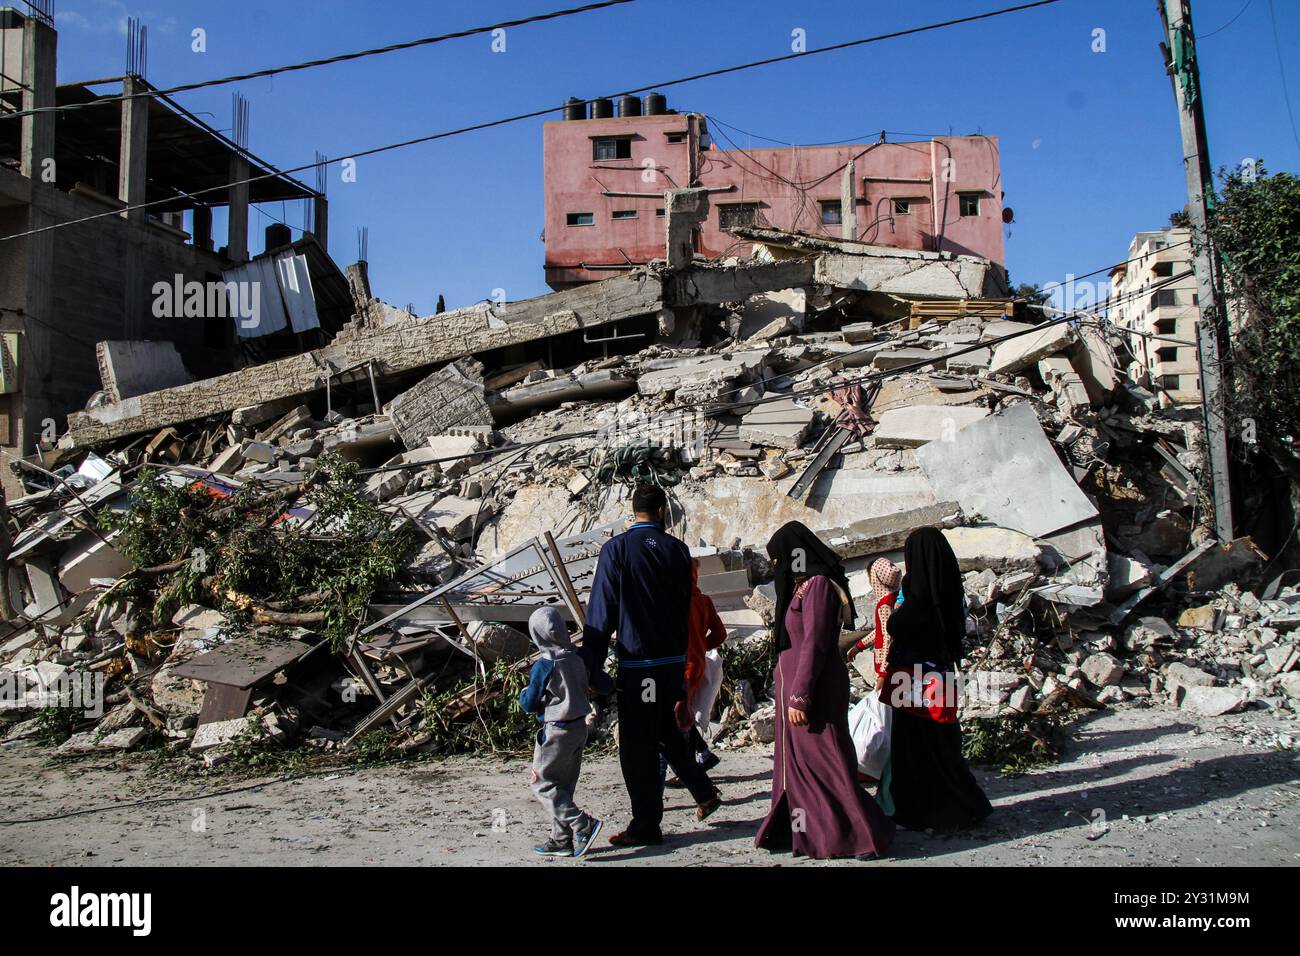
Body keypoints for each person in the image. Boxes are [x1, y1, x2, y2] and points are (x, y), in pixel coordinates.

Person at [584, 483, 722, 847]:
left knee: (636, 746)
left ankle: (646, 823)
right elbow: (682, 613)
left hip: (638, 666)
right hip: (671, 664)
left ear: (634, 511)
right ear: (662, 511)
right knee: (665, 731)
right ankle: (703, 792)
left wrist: (591, 664)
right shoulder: (678, 551)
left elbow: (602, 608)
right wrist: (681, 669)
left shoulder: (616, 550)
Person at [755, 521, 895, 860]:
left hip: (813, 692)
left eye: (780, 560)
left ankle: (858, 834)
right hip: (799, 691)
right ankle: (808, 833)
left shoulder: (817, 586)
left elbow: (815, 644)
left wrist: (800, 694)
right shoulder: (803, 588)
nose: (778, 568)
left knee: (826, 763)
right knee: (802, 766)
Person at [884, 527, 993, 832]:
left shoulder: (919, 599)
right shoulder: (947, 592)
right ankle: (964, 804)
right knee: (943, 744)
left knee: (914, 746)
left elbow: (897, 625)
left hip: (913, 681)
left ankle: (924, 810)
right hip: (940, 675)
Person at [519, 606, 602, 858]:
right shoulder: (580, 656)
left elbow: (530, 703)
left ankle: (582, 824)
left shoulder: (545, 665)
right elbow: (604, 684)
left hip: (555, 730)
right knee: (564, 786)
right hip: (579, 727)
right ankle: (560, 839)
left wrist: (524, 693)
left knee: (542, 783)